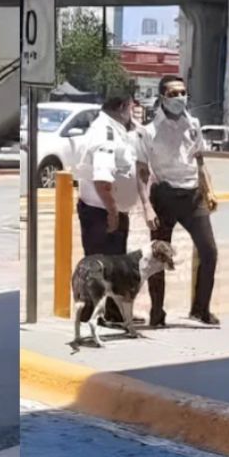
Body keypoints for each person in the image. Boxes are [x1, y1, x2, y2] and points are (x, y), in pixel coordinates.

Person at [135, 75, 221, 327]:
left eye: (182, 92)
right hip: (164, 196)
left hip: (192, 196)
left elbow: (199, 161)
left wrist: (210, 191)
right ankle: (157, 312)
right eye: (173, 94)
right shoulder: (148, 131)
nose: (179, 98)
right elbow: (141, 172)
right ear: (162, 97)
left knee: (209, 251)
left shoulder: (193, 124)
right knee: (158, 258)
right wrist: (147, 207)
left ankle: (201, 308)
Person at [73, 93, 147, 325]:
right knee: (97, 267)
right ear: (124, 105)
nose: (135, 112)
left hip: (109, 210)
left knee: (115, 267)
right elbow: (102, 180)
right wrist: (113, 212)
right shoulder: (105, 134)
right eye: (133, 106)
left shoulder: (116, 128)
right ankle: (89, 318)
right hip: (102, 213)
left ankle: (114, 314)